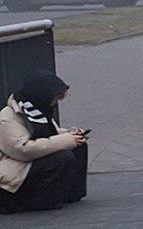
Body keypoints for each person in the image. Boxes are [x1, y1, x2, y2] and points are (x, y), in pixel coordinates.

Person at [0, 70, 88, 214]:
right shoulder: (7, 117)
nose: (54, 104)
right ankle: (42, 201)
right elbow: (22, 150)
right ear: (41, 96)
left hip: (26, 162)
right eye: (54, 100)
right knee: (63, 157)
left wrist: (70, 134)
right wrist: (64, 140)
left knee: (77, 145)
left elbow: (50, 133)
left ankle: (70, 194)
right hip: (11, 171)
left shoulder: (36, 112)